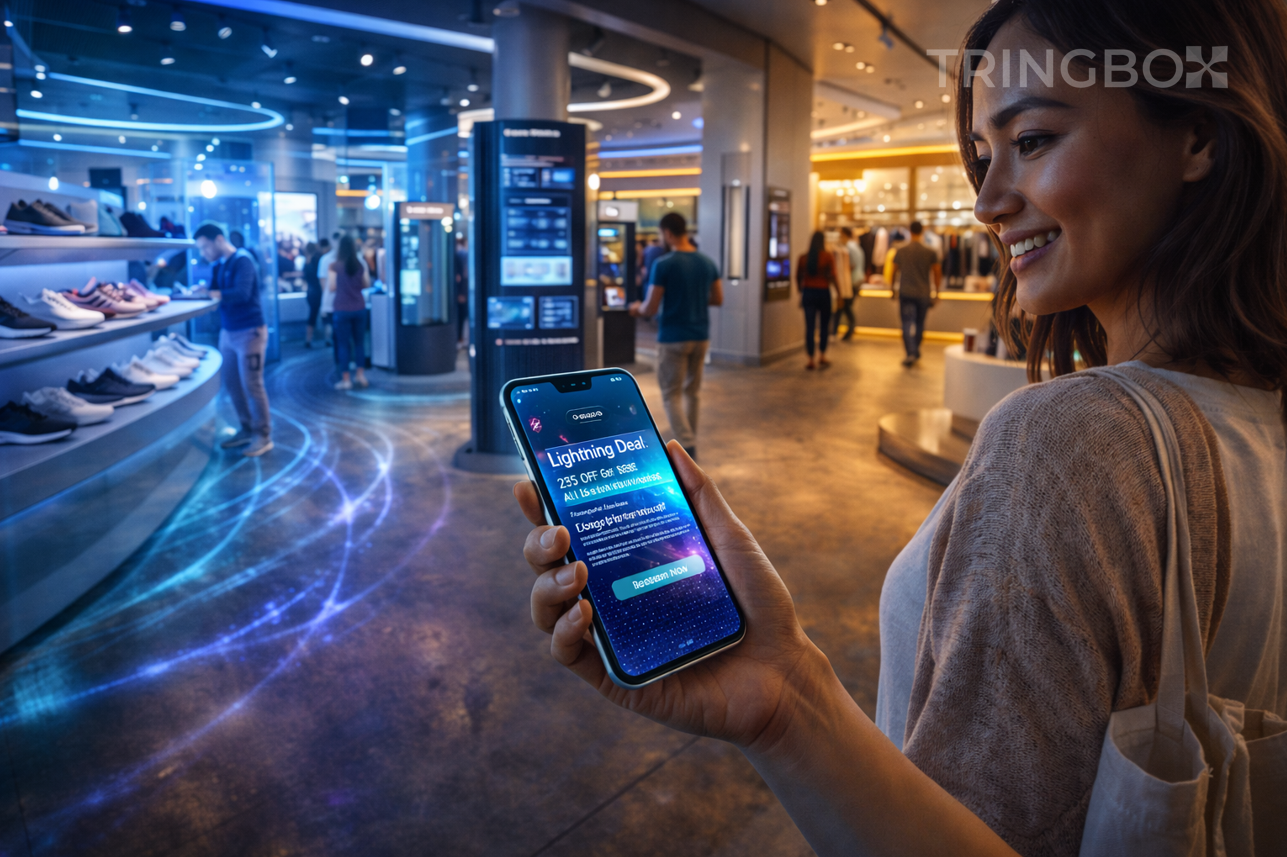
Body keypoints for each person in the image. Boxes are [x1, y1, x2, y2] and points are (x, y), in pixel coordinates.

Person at [514, 0, 1287, 854]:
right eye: (983, 156)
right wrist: (781, 692)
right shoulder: (1256, 421)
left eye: (1030, 141)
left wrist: (785, 713)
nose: (988, 201)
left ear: (1196, 136)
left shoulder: (1069, 440)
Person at [629, 212, 722, 460]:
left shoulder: (664, 264)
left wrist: (635, 308)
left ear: (668, 233)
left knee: (671, 393)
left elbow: (650, 306)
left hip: (672, 337)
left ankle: (687, 445)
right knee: (692, 391)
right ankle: (688, 441)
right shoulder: (707, 262)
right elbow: (717, 298)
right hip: (700, 335)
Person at [194, 223, 273, 458]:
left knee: (253, 384)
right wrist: (207, 290)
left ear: (219, 239)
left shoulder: (243, 260)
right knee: (232, 384)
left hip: (250, 332)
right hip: (228, 331)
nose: (203, 253)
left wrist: (211, 293)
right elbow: (216, 291)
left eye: (205, 247)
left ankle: (264, 435)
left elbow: (242, 293)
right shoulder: (220, 264)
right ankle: (247, 429)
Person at [891, 222, 942, 367]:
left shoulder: (901, 250)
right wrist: (936, 293)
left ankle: (911, 352)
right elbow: (937, 273)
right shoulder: (930, 251)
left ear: (909, 231)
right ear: (922, 231)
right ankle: (915, 350)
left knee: (906, 323)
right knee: (920, 323)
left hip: (905, 292)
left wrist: (891, 289)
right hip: (923, 293)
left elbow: (893, 271)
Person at [328, 235, 370, 391]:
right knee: (359, 343)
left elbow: (332, 286)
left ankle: (346, 379)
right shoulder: (360, 265)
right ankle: (360, 376)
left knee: (343, 345)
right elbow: (366, 284)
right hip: (359, 307)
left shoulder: (334, 266)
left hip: (341, 308)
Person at [797, 231, 837, 369]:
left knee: (810, 327)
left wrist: (801, 291)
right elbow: (833, 276)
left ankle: (810, 359)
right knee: (824, 326)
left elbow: (798, 277)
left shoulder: (803, 258)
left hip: (808, 292)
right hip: (823, 292)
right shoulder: (827, 257)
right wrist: (840, 293)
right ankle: (822, 355)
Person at [831, 229, 858, 341]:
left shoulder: (847, 249)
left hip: (849, 283)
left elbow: (851, 267)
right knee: (843, 308)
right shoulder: (855, 247)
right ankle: (835, 332)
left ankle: (840, 331)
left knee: (844, 308)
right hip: (851, 283)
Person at [302, 241, 323, 348]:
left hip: (310, 291)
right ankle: (328, 339)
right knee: (325, 315)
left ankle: (308, 340)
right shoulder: (318, 259)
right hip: (319, 290)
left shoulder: (306, 261)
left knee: (312, 315)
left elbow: (304, 278)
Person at [455, 233, 470, 346]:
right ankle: (460, 338)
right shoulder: (462, 254)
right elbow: (463, 275)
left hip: (461, 292)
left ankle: (460, 338)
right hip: (462, 292)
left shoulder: (459, 254)